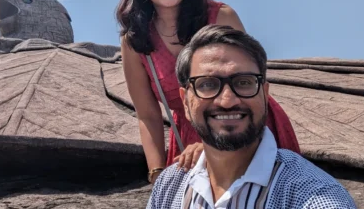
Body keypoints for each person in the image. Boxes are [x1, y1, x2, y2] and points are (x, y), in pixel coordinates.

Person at [115, 0, 300, 184]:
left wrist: (216, 146)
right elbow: (148, 115)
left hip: (245, 125)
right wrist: (156, 174)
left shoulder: (221, 17)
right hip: (188, 142)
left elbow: (252, 88)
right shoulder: (135, 40)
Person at [146, 24, 356, 208]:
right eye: (207, 84)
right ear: (185, 101)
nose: (227, 101)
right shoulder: (169, 187)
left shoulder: (316, 197)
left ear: (265, 95)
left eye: (244, 82)